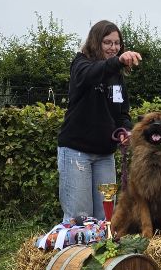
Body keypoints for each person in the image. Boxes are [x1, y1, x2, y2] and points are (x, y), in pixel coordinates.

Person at [57, 21, 141, 222]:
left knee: (105, 218)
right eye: (107, 43)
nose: (113, 48)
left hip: (105, 155)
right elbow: (92, 74)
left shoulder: (117, 76)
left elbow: (122, 113)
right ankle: (76, 254)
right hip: (77, 152)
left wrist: (125, 131)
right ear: (96, 42)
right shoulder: (80, 64)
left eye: (117, 43)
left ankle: (102, 254)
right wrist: (118, 62)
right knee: (80, 219)